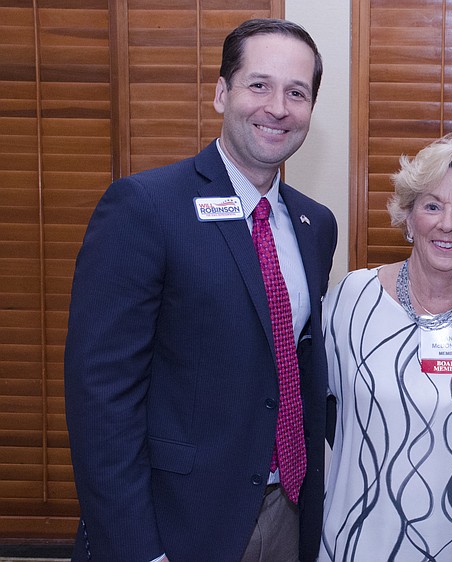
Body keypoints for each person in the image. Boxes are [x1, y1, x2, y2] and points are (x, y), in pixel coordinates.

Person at [64, 18, 337, 562]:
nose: (277, 107)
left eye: (296, 92)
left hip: (287, 512)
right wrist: (138, 550)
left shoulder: (316, 224)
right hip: (177, 523)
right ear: (221, 92)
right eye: (259, 85)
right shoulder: (146, 207)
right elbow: (101, 398)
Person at [320, 133, 452, 561]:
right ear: (408, 218)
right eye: (431, 205)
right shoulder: (351, 301)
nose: (446, 223)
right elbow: (304, 406)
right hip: (361, 541)